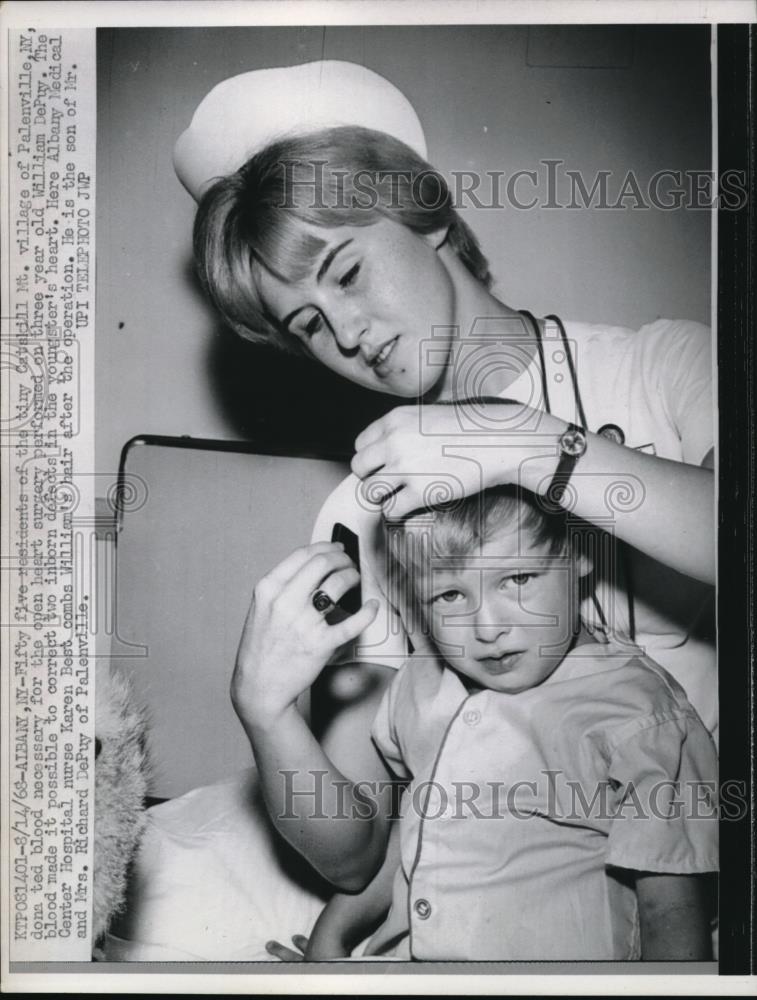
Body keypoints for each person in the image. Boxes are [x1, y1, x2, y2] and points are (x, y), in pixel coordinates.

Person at [106, 58, 716, 961]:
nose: (342, 335)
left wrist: (518, 442)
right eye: (304, 325)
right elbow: (354, 859)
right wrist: (265, 709)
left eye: (345, 272)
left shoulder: (669, 369)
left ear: (424, 213)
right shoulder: (366, 508)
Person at [262, 484, 719, 960]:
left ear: (579, 554)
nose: (486, 627)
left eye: (518, 579)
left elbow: (671, 914)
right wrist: (331, 937)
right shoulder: (421, 683)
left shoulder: (642, 715)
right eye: (449, 594)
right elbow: (419, 831)